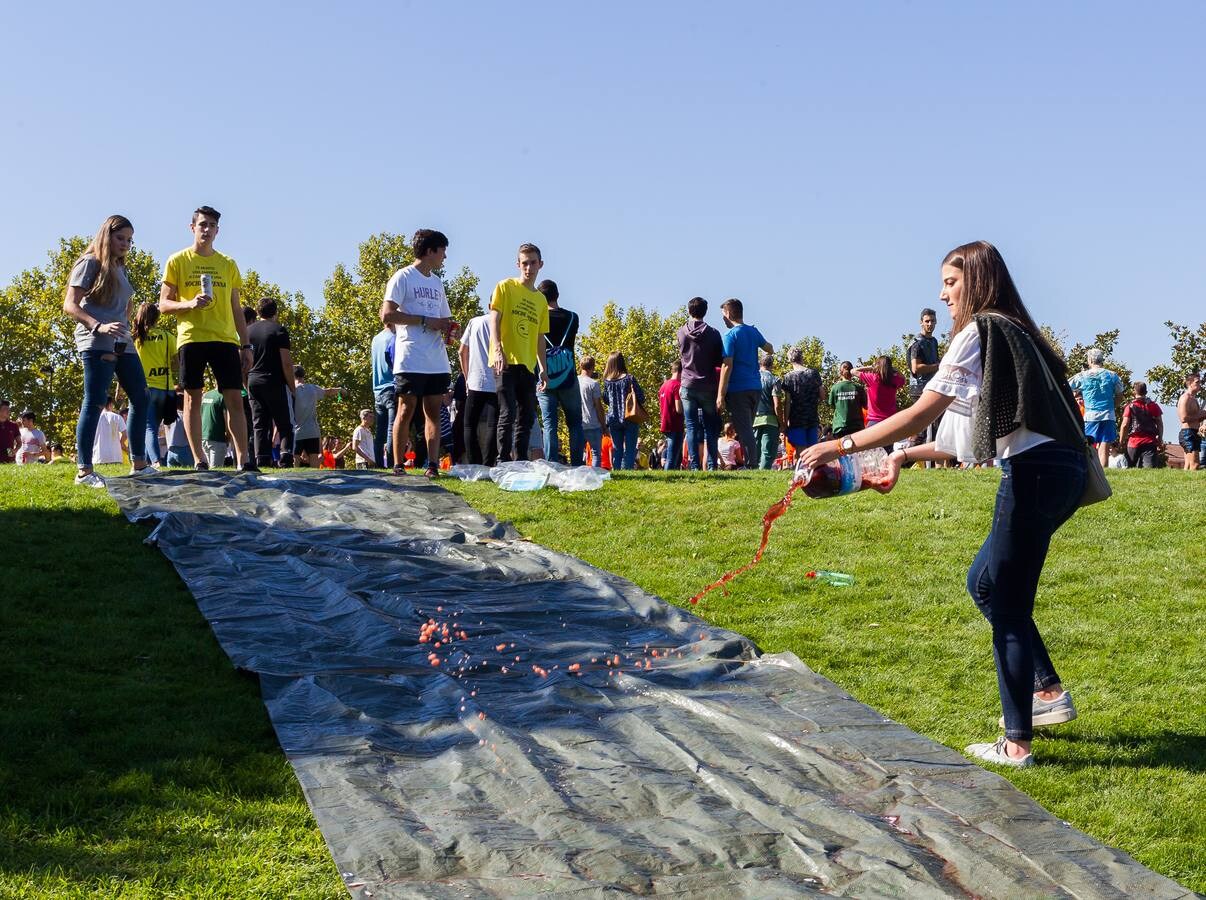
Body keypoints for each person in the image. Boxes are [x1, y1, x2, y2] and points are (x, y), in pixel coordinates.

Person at [800, 240, 1089, 769]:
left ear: (976, 281)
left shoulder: (980, 331)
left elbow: (919, 412)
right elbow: (957, 437)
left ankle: (1017, 742)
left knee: (1005, 599)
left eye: (951, 283)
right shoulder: (1014, 332)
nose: (943, 293)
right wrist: (904, 459)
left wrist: (840, 445)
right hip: (1063, 472)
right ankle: (1046, 693)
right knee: (984, 582)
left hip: (1035, 471)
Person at [158, 206, 255, 473]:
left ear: (217, 231)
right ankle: (200, 459)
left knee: (235, 398)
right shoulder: (177, 260)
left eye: (211, 225)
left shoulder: (227, 264)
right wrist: (189, 303)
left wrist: (246, 344)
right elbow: (163, 304)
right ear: (192, 228)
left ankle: (243, 459)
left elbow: (237, 308)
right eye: (202, 224)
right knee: (192, 398)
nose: (207, 229)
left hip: (225, 339)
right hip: (192, 337)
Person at [61, 214, 151, 487]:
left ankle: (140, 465)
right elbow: (70, 304)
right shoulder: (90, 263)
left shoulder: (119, 267)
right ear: (107, 236)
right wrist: (97, 326)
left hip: (123, 342)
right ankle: (84, 472)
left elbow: (124, 304)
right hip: (96, 341)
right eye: (120, 238)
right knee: (96, 400)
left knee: (141, 396)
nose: (125, 244)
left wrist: (128, 324)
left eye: (129, 240)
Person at [380, 229, 455, 478]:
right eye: (442, 250)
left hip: (436, 360)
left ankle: (432, 466)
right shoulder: (403, 277)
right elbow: (387, 315)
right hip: (411, 356)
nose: (445, 256)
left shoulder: (437, 282)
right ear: (430, 251)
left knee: (434, 412)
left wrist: (450, 328)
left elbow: (443, 317)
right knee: (405, 410)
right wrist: (424, 320)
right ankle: (398, 464)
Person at [489, 243, 549, 463]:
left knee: (527, 416)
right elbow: (494, 318)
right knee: (508, 413)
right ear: (518, 264)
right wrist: (497, 349)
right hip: (505, 361)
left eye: (533, 263)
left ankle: (521, 461)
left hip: (527, 364)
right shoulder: (505, 287)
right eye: (524, 263)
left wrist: (543, 368)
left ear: (540, 265)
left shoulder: (541, 300)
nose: (528, 268)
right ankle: (502, 460)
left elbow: (539, 336)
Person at [717, 298, 772, 468]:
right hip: (755, 387)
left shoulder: (730, 335)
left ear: (727, 313)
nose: (722, 319)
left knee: (744, 429)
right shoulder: (752, 332)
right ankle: (750, 462)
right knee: (747, 426)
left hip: (738, 389)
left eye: (722, 315)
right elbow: (770, 349)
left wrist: (720, 394)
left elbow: (727, 365)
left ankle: (751, 465)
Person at [535, 279, 584, 465]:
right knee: (575, 424)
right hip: (568, 376)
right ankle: (578, 464)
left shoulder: (537, 320)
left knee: (549, 425)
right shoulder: (573, 317)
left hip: (544, 376)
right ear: (558, 295)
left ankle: (551, 463)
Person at [245, 297, 297, 468]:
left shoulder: (248, 331)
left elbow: (243, 360)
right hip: (273, 380)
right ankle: (285, 456)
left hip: (253, 380)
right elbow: (286, 363)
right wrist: (292, 386)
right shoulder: (279, 330)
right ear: (275, 312)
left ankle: (262, 459)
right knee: (284, 422)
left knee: (259, 423)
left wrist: (246, 382)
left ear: (258, 312)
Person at [676, 297, 724, 471]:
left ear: (689, 311)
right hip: (708, 386)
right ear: (705, 311)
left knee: (691, 426)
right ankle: (711, 465)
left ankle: (694, 465)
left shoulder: (681, 332)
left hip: (688, 385)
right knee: (710, 428)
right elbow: (720, 360)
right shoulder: (713, 333)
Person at [132, 301, 175, 467]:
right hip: (165, 388)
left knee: (148, 428)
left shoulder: (136, 338)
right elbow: (177, 361)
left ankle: (156, 461)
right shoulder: (166, 336)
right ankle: (148, 461)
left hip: (145, 387)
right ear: (157, 317)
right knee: (154, 427)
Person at [1068, 348, 1124, 468]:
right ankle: (1103, 472)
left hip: (1090, 415)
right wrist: (1112, 406)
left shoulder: (1082, 376)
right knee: (1104, 444)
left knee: (1088, 445)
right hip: (1108, 414)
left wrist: (1075, 395)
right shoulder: (1112, 375)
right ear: (1102, 360)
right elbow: (1120, 395)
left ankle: (1089, 469)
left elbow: (1066, 386)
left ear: (1089, 360)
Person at [459, 312, 498, 466]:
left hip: (475, 379)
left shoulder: (475, 322)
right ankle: (488, 463)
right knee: (492, 424)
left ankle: (474, 462)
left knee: (469, 424)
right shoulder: (503, 323)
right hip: (496, 379)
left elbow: (462, 351)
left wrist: (466, 376)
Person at [601, 352, 645, 470]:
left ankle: (617, 472)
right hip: (629, 416)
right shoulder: (629, 378)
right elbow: (641, 397)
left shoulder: (607, 381)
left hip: (613, 418)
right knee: (630, 449)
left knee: (617, 449)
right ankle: (628, 471)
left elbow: (605, 399)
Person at [292, 366, 342, 468]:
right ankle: (314, 482)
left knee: (295, 458)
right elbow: (328, 391)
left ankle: (294, 481)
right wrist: (340, 389)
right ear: (303, 375)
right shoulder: (312, 388)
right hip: (312, 431)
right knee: (314, 458)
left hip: (296, 430)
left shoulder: (291, 390)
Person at [909, 307, 944, 450]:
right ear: (921, 322)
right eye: (927, 321)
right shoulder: (917, 342)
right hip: (919, 388)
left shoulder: (934, 341)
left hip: (933, 386)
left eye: (933, 321)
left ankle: (936, 464)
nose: (930, 324)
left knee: (937, 426)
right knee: (920, 428)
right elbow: (915, 368)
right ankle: (906, 459)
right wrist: (937, 366)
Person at [855, 356, 906, 446]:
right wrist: (894, 369)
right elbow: (903, 378)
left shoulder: (872, 378)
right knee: (888, 452)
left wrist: (871, 367)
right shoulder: (894, 381)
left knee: (872, 453)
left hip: (874, 422)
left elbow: (853, 371)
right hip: (890, 422)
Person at [781, 348, 824, 453]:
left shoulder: (788, 377)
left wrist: (785, 421)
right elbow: (822, 395)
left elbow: (787, 402)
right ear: (802, 358)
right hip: (812, 417)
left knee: (800, 452)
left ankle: (801, 469)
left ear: (790, 360)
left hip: (796, 418)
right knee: (812, 450)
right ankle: (813, 469)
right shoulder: (814, 373)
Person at [1118, 382, 1163, 469]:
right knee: (1150, 470)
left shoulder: (1130, 406)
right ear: (1146, 392)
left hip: (1133, 441)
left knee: (1129, 468)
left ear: (1133, 392)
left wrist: (1121, 441)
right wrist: (1160, 439)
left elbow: (1124, 425)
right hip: (1150, 441)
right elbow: (1160, 423)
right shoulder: (1153, 406)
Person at [369, 325, 396, 468]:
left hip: (378, 390)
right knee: (393, 428)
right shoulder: (394, 338)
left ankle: (379, 464)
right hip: (391, 387)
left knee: (380, 431)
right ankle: (392, 463)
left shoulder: (376, 339)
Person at [753, 353, 785, 469]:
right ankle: (762, 477)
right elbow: (777, 405)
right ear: (772, 365)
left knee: (754, 450)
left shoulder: (753, 377)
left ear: (760, 363)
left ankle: (753, 475)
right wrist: (782, 423)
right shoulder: (774, 380)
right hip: (770, 420)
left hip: (754, 419)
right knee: (768, 451)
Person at [578, 356, 606, 467]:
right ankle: (595, 476)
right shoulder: (593, 384)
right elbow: (598, 406)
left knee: (578, 454)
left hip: (578, 423)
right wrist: (604, 425)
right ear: (593, 367)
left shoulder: (574, 382)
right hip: (592, 423)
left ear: (580, 366)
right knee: (596, 454)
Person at [826, 361, 865, 440]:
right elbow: (865, 404)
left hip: (840, 427)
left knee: (842, 451)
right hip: (856, 426)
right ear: (852, 372)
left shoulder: (835, 388)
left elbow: (832, 404)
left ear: (840, 372)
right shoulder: (858, 387)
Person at [658, 360, 685, 470]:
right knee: (672, 457)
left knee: (671, 454)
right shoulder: (677, 386)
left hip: (665, 422)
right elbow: (679, 409)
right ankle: (668, 478)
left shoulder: (664, 386)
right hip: (675, 424)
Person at [1175, 372, 1204, 471]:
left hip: (1194, 432)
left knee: (1187, 466)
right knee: (1195, 465)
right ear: (1190, 383)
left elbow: (1197, 419)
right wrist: (1200, 414)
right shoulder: (1185, 398)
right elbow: (1183, 418)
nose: (1200, 384)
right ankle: (1194, 485)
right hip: (1188, 433)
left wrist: (1203, 416)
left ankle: (1184, 485)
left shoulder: (1194, 399)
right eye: (1197, 382)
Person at [92, 396, 127, 465]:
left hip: (98, 457)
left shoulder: (95, 417)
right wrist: (121, 442)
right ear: (111, 404)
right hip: (115, 456)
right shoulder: (117, 417)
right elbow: (125, 434)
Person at [200, 385, 228, 468]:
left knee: (207, 470)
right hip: (217, 438)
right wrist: (229, 436)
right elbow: (227, 418)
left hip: (204, 437)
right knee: (216, 471)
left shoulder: (206, 395)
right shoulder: (223, 396)